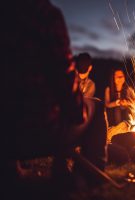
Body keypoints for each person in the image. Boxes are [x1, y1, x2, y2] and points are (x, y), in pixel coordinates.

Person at [3, 0, 107, 194]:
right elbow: (63, 76)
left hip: (6, 131)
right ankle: (86, 180)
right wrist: (77, 113)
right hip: (37, 127)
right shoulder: (44, 15)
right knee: (96, 106)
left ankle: (9, 170)